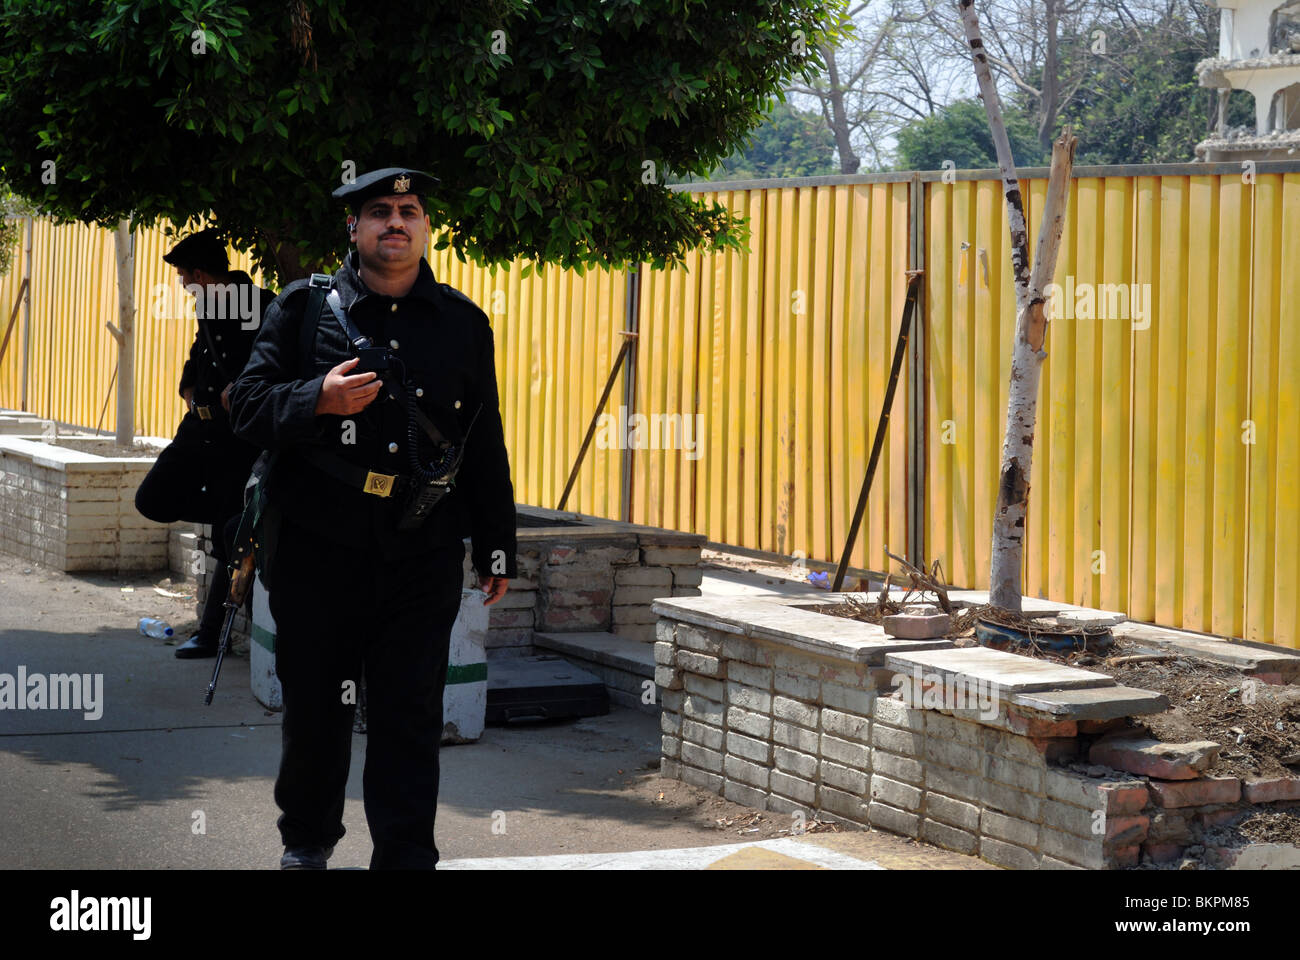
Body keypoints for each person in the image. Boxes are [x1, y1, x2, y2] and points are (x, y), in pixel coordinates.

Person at [227, 166, 517, 870]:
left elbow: (483, 443)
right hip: (316, 546)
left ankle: (407, 855)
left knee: (409, 712)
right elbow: (246, 407)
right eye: (380, 210)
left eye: (410, 210)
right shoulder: (303, 308)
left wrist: (497, 547)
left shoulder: (461, 322)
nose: (396, 221)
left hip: (421, 550)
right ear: (352, 228)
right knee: (317, 712)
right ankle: (307, 843)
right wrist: (315, 400)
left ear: (425, 226)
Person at [135, 229, 272, 657]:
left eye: (182, 275)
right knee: (152, 499)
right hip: (199, 431)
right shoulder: (210, 304)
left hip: (237, 439)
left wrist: (245, 388)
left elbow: (273, 362)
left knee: (230, 537)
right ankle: (220, 510)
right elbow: (200, 354)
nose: (179, 284)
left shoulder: (262, 306)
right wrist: (188, 385)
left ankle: (212, 634)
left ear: (199, 273)